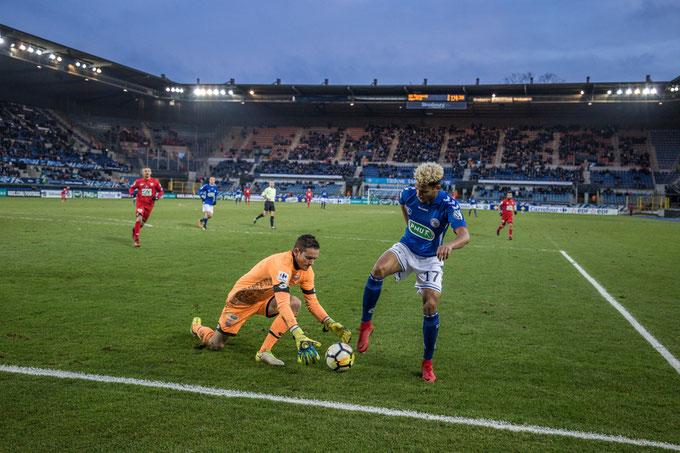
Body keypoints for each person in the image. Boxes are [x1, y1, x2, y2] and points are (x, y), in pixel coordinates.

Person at [357, 163, 470, 382]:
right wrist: (409, 227)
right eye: (417, 188)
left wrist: (450, 245)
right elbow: (404, 207)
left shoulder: (448, 204)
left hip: (430, 259)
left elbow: (464, 235)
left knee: (430, 305)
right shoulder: (408, 193)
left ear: (437, 187)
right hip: (407, 247)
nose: (418, 194)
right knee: (378, 269)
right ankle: (366, 325)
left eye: (424, 191)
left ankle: (427, 363)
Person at [190, 234, 351, 366]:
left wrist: (328, 322)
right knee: (215, 345)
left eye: (314, 259)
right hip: (241, 301)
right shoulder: (282, 264)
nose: (311, 263)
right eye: (308, 258)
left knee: (294, 302)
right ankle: (196, 327)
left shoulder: (307, 272)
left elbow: (312, 303)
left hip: (265, 299)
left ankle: (263, 352)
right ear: (296, 251)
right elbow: (281, 303)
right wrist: (297, 332)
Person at [129, 167, 164, 247]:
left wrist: (157, 197)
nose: (147, 172)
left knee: (142, 223)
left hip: (150, 205)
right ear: (143, 173)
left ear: (151, 172)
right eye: (145, 171)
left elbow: (161, 191)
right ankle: (137, 240)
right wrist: (132, 193)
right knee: (139, 218)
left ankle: (135, 229)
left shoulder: (155, 182)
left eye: (148, 171)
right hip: (140, 203)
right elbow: (131, 187)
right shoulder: (138, 181)